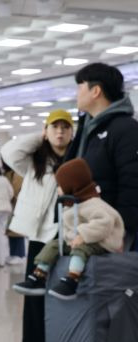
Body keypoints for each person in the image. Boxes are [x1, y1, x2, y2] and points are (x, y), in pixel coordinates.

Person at [1, 109, 73, 342]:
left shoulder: (78, 157)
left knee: (65, 289)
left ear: (72, 131)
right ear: (46, 131)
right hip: (41, 233)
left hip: (69, 233)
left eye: (65, 127)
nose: (60, 132)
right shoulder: (35, 162)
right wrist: (39, 136)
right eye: (55, 127)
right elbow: (9, 152)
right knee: (35, 291)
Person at [13, 159, 124, 300]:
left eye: (60, 185)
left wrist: (83, 235)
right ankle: (39, 276)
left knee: (81, 249)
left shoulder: (93, 204)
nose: (57, 189)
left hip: (102, 242)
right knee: (53, 245)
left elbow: (105, 223)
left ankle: (72, 281)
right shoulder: (72, 204)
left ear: (73, 185)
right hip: (77, 240)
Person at [65, 62, 138, 249]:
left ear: (95, 91)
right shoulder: (87, 128)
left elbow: (132, 182)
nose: (77, 93)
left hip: (112, 230)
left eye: (80, 86)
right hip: (86, 223)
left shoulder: (125, 129)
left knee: (111, 277)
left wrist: (123, 231)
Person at [2, 160, 26, 263]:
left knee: (16, 231)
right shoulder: (8, 173)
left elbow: (15, 189)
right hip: (11, 205)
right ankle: (13, 253)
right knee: (11, 230)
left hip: (17, 204)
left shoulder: (18, 173)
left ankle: (19, 254)